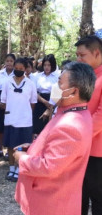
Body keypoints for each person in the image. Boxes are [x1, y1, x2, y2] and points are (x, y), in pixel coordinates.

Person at [15, 62, 95, 215]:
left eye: (59, 83)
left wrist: (22, 158)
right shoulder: (72, 113)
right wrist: (33, 148)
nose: (55, 86)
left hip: (50, 203)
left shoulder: (71, 125)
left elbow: (49, 166)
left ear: (73, 91)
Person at [75, 36, 102, 215]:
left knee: (98, 198)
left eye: (82, 55)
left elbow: (100, 117)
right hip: (80, 148)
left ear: (97, 53)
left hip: (97, 151)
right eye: (77, 55)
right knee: (78, 197)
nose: (78, 59)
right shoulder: (87, 77)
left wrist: (75, 136)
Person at [1, 58, 37, 182]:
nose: (18, 71)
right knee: (11, 145)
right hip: (11, 118)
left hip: (25, 120)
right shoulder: (7, 82)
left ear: (25, 70)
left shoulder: (30, 84)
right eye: (16, 69)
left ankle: (19, 169)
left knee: (22, 146)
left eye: (21, 69)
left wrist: (24, 112)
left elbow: (33, 103)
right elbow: (3, 101)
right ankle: (11, 168)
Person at [0, 53, 16, 159]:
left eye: (11, 61)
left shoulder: (17, 74)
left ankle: (9, 149)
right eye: (7, 61)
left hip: (12, 104)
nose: (9, 63)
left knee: (9, 127)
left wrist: (8, 104)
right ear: (4, 62)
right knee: (0, 127)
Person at [32, 55, 59, 136]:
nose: (47, 67)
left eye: (49, 65)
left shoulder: (57, 77)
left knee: (49, 129)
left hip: (52, 103)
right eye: (45, 65)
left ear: (53, 65)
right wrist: (44, 101)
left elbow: (58, 93)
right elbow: (34, 91)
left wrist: (50, 106)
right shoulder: (37, 76)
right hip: (39, 101)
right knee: (37, 129)